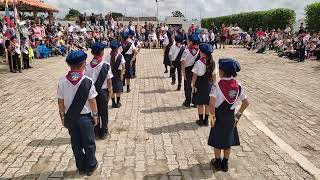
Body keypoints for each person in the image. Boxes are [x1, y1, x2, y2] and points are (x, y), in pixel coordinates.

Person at [57, 50, 99, 176]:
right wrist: (95, 116)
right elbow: (92, 101)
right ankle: (91, 166)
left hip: (71, 118)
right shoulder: (87, 81)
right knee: (89, 143)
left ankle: (81, 167)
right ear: (82, 65)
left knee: (76, 143)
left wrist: (63, 117)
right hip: (85, 118)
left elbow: (60, 102)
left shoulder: (62, 81)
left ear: (69, 65)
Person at [208, 58, 249, 172]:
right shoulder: (238, 85)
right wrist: (237, 116)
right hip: (231, 117)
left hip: (218, 117)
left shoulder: (217, 86)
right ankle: (225, 163)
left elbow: (211, 105)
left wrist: (212, 118)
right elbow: (246, 103)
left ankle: (217, 162)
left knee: (217, 141)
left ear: (222, 71)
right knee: (227, 141)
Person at [85, 42, 113, 139]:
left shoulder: (87, 65)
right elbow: (109, 81)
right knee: (104, 112)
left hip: (91, 93)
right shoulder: (105, 65)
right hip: (102, 92)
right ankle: (104, 131)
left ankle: (95, 131)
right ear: (102, 52)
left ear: (92, 53)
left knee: (94, 112)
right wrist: (110, 91)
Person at [192, 43, 215, 126]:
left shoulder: (198, 62)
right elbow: (214, 76)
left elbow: (194, 76)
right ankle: (206, 120)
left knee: (200, 104)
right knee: (207, 103)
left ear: (201, 52)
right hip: (209, 84)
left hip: (200, 84)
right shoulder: (212, 62)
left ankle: (201, 120)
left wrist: (193, 85)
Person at [105, 39, 126, 108]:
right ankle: (118, 102)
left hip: (110, 73)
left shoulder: (108, 56)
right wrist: (122, 73)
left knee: (112, 88)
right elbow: (123, 65)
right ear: (117, 48)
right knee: (118, 88)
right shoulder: (120, 56)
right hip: (118, 73)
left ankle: (113, 103)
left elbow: (106, 66)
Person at [182, 34, 200, 107]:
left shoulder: (186, 51)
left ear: (191, 42)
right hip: (196, 71)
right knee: (195, 86)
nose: (187, 42)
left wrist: (183, 73)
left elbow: (183, 63)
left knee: (187, 86)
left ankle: (188, 101)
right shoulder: (199, 50)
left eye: (188, 41)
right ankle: (195, 102)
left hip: (188, 70)